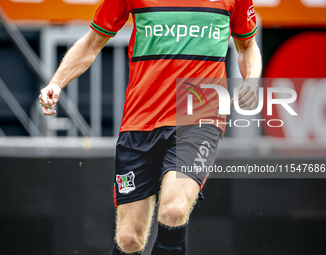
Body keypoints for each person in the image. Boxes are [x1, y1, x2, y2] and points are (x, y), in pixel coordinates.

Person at [39, 0, 262, 254]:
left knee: (174, 210)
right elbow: (92, 43)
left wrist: (251, 80)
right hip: (139, 121)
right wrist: (56, 83)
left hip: (199, 118)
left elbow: (247, 47)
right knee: (129, 240)